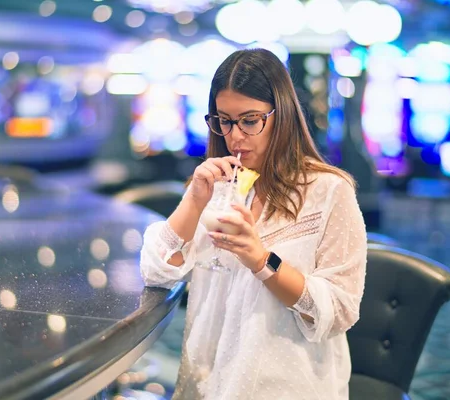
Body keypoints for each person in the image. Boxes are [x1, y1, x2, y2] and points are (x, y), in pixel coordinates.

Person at [140, 48, 367, 399]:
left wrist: (262, 261)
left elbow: (338, 310)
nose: (235, 136)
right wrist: (194, 199)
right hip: (208, 381)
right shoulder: (219, 186)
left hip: (285, 386)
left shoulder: (328, 191)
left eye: (249, 120)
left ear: (283, 115)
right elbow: (158, 271)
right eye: (224, 121)